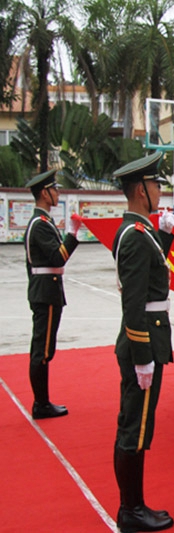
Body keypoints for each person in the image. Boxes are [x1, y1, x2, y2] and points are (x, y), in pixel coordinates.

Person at [111, 152, 174, 533]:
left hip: (149, 336)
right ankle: (131, 510)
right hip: (144, 340)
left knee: (136, 424)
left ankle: (133, 505)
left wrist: (165, 234)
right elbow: (133, 304)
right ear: (140, 189)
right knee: (135, 427)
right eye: (155, 185)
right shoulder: (135, 237)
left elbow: (154, 272)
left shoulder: (142, 232)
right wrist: (142, 358)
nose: (159, 190)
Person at [23, 169, 80, 419]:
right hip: (45, 293)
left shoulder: (42, 223)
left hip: (47, 290)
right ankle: (41, 404)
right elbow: (58, 257)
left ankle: (42, 402)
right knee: (42, 351)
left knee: (45, 349)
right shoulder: (40, 225)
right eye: (54, 189)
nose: (57, 193)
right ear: (45, 193)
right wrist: (73, 234)